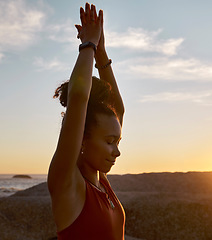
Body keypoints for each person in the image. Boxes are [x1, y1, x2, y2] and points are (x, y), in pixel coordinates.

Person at [47, 3, 125, 239]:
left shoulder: (101, 181)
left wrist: (101, 52)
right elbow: (79, 98)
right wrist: (88, 46)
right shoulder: (67, 184)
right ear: (82, 139)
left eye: (118, 141)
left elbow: (117, 111)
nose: (117, 151)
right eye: (110, 141)